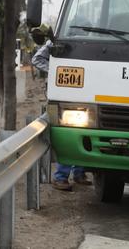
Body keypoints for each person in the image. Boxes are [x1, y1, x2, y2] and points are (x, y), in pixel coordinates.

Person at [31, 30, 92, 191]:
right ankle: (61, 176)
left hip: (86, 94)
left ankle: (79, 173)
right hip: (64, 94)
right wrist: (56, 71)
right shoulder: (58, 40)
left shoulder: (92, 40)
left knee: (82, 133)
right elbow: (36, 59)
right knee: (68, 134)